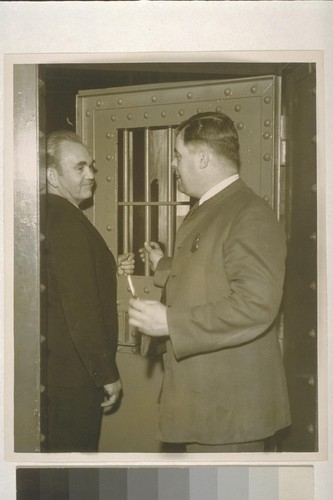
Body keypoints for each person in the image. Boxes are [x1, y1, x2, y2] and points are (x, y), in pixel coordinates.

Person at [129, 112, 291, 453]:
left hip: (230, 416)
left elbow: (256, 304)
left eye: (177, 155)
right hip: (209, 407)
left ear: (202, 157)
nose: (173, 165)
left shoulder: (249, 213)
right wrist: (164, 267)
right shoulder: (217, 207)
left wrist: (170, 321)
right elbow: (213, 268)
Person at [45, 130, 134, 452]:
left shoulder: (50, 215)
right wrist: (105, 373)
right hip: (74, 379)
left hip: (57, 372)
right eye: (80, 168)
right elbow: (80, 306)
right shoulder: (67, 222)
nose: (91, 175)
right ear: (53, 176)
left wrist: (109, 268)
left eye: (92, 166)